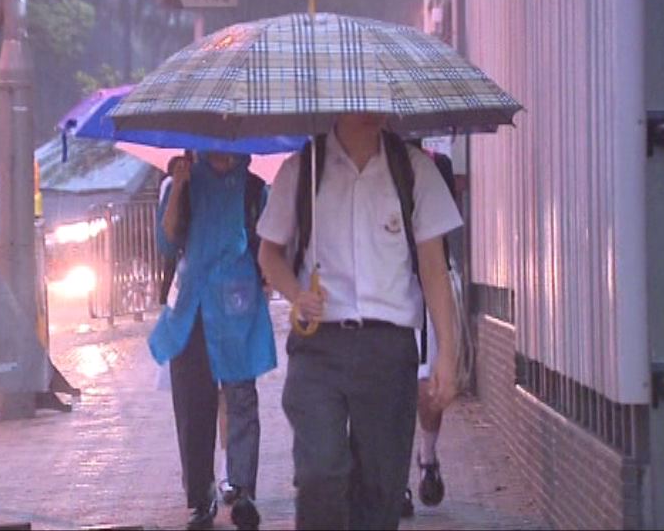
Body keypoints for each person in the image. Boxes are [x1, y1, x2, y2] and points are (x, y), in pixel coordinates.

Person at [257, 113, 462, 530]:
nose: (372, 106)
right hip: (319, 346)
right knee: (320, 470)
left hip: (388, 348)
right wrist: (296, 294)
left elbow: (433, 267)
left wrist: (448, 354)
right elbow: (268, 253)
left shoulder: (412, 170)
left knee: (381, 487)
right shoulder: (302, 170)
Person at [151, 150, 277, 531]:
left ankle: (243, 490)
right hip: (192, 308)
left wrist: (271, 279)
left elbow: (267, 246)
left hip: (238, 307)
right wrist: (179, 187)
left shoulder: (253, 188)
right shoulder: (181, 182)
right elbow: (167, 242)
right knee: (194, 404)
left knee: (241, 398)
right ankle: (200, 496)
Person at [403, 149, 459, 517]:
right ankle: (396, 481)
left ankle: (428, 456)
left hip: (424, 286)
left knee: (426, 385)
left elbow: (441, 235)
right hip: (385, 287)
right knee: (388, 389)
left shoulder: (436, 165)